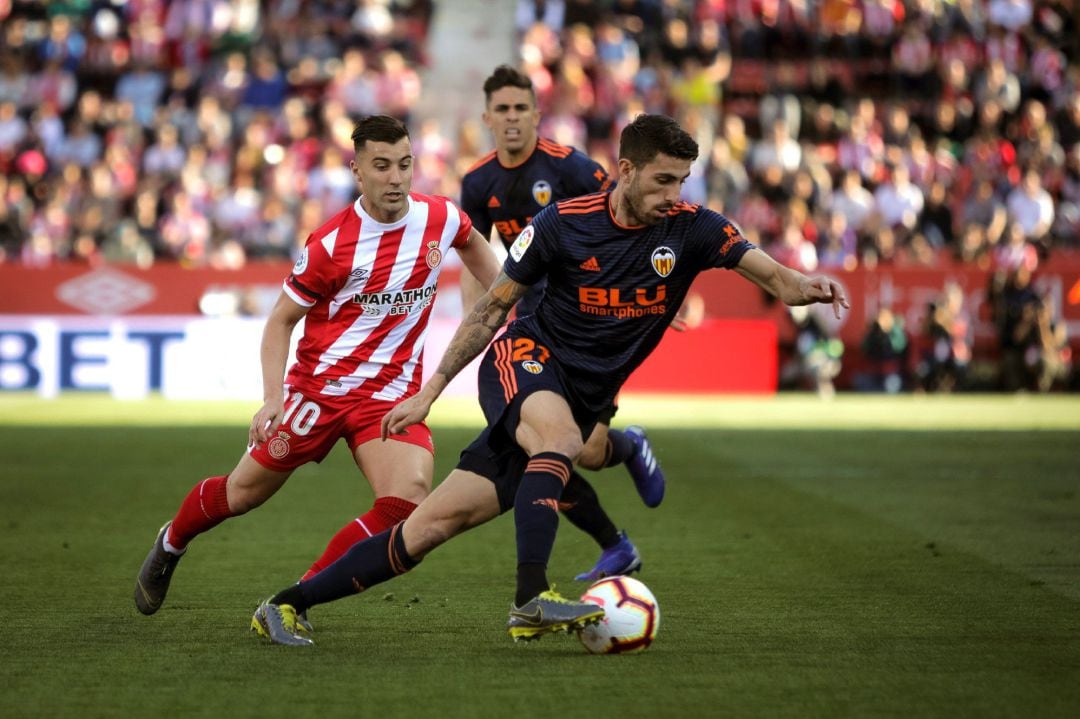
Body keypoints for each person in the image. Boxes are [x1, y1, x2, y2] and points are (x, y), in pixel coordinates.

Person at [250, 114, 849, 647]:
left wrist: (808, 285)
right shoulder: (562, 222)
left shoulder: (693, 230)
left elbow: (776, 277)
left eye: (682, 181)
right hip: (523, 359)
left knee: (431, 525)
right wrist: (430, 391)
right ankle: (529, 600)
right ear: (625, 170)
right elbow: (490, 309)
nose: (674, 194)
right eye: (662, 180)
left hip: (584, 397)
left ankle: (286, 603)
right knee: (560, 442)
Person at [134, 115, 501, 625]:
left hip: (390, 397)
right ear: (356, 171)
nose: (395, 178)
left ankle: (294, 601)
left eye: (404, 164)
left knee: (405, 502)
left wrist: (514, 308)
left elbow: (490, 268)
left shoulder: (440, 219)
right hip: (319, 392)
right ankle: (171, 543)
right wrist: (272, 397)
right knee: (240, 495)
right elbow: (280, 322)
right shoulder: (330, 245)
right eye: (381, 166)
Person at [459, 64, 664, 583]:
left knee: (587, 451)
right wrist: (475, 324)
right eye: (502, 109)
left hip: (593, 325)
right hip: (532, 328)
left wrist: (657, 288)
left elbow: (631, 221)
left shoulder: (572, 169)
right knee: (546, 448)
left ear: (537, 113)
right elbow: (473, 254)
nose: (511, 118)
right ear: (487, 117)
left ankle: (628, 449)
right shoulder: (477, 182)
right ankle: (615, 546)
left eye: (520, 108)